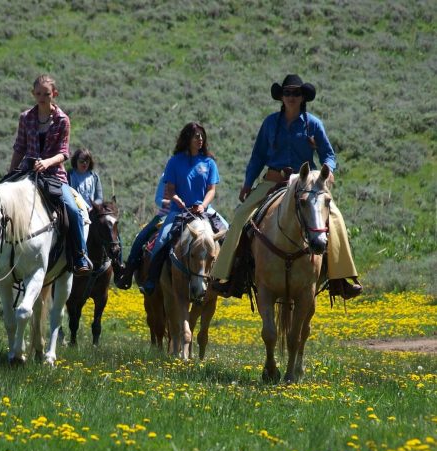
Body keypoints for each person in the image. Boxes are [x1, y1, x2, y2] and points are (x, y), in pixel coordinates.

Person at [211, 74, 361, 300]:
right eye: (288, 93)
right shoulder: (270, 123)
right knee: (241, 216)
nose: (292, 97)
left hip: (306, 183)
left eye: (296, 93)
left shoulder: (314, 124)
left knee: (336, 218)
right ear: (281, 97)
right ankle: (230, 276)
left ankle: (340, 279)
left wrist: (327, 170)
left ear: (303, 97)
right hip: (273, 180)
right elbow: (258, 156)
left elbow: (329, 155)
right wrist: (248, 184)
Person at [8, 74, 92, 275]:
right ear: (33, 94)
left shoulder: (63, 120)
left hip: (54, 175)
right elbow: (19, 148)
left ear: (54, 94)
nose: (42, 97)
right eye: (38, 93)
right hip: (28, 171)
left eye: (46, 94)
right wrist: (10, 174)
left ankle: (80, 255)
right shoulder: (25, 118)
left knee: (72, 209)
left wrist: (46, 163)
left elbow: (64, 153)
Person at [123, 122, 219, 296]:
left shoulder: (209, 162)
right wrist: (177, 200)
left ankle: (226, 282)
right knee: (161, 241)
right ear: (187, 138)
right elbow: (169, 190)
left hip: (204, 210)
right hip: (178, 212)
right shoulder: (175, 162)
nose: (200, 139)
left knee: (227, 234)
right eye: (196, 136)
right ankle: (151, 280)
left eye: (202, 136)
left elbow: (211, 190)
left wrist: (203, 205)